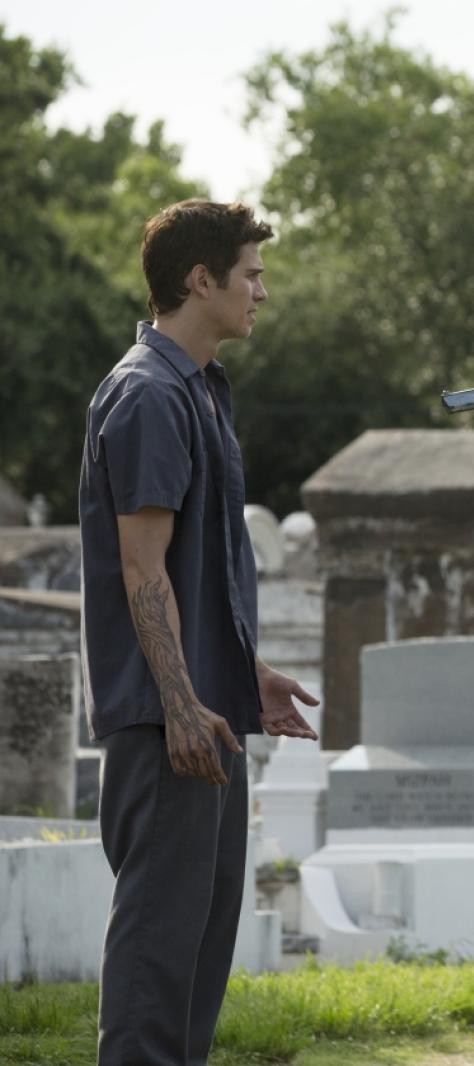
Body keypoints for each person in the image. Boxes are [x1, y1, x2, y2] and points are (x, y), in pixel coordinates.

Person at [78, 199, 321, 1065]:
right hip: (167, 722)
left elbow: (197, 569)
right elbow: (142, 570)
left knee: (199, 948)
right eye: (251, 275)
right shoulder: (149, 394)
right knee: (159, 947)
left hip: (209, 711)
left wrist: (244, 670)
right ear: (200, 280)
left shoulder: (201, 388)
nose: (262, 291)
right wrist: (180, 705)